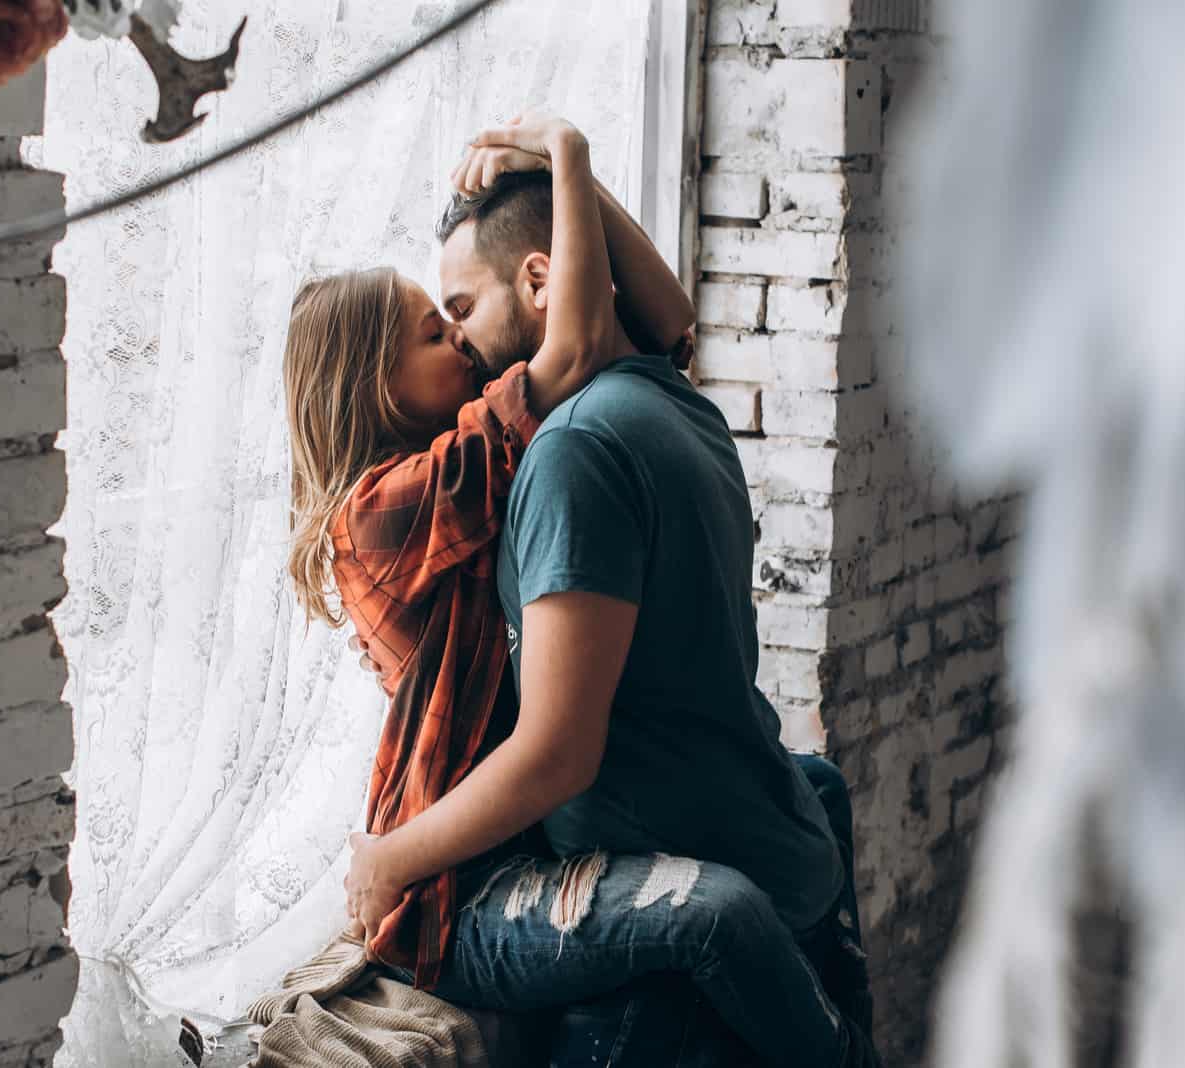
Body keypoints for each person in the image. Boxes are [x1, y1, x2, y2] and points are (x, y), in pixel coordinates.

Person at [335, 114, 877, 1068]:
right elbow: (623, 327)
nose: (460, 343)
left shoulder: (560, 449)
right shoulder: (419, 497)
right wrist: (562, 163)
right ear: (373, 389)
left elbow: (642, 321)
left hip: (547, 841)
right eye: (437, 329)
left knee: (777, 838)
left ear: (539, 281)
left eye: (457, 309)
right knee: (774, 843)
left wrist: (565, 160)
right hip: (466, 866)